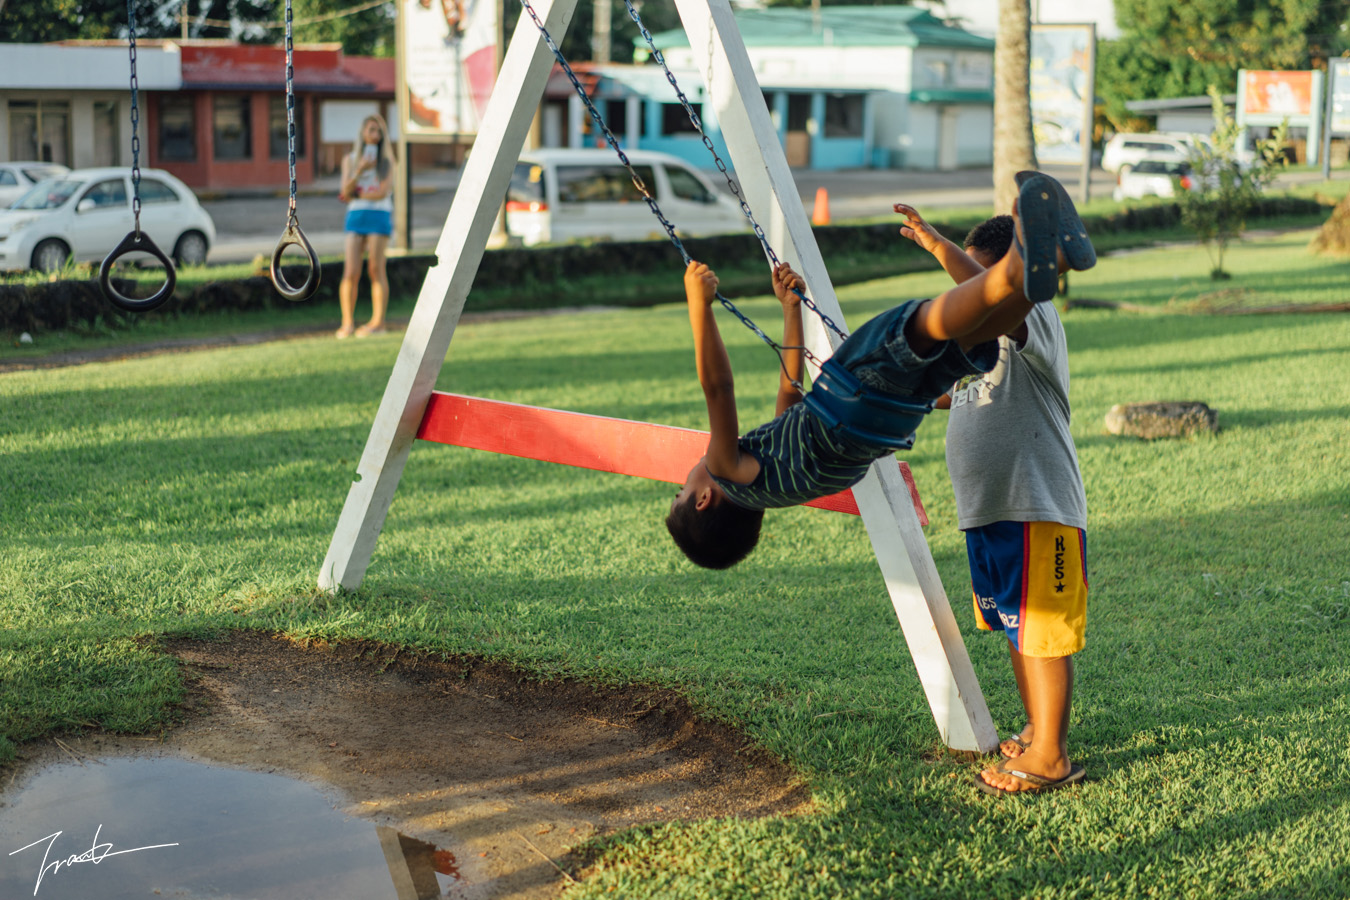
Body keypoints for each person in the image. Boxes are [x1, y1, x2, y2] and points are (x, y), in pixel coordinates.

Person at [666, 173, 1091, 572]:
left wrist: (791, 311)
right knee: (923, 323)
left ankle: (1052, 263)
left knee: (971, 338)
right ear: (704, 499)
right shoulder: (724, 469)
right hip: (848, 398)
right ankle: (1017, 267)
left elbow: (791, 394)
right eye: (680, 493)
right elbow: (718, 389)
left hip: (891, 423)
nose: (683, 483)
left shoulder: (776, 485)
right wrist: (699, 307)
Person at [895, 189, 1090, 796]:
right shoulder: (980, 345)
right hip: (989, 514)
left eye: (984, 281)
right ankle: (1038, 731)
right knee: (1015, 627)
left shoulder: (1037, 322)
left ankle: (1052, 757)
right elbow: (973, 389)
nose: (970, 299)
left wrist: (936, 245)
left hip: (1038, 507)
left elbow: (992, 291)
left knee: (1043, 632)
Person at [336, 115, 396, 339]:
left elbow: (382, 191)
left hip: (379, 215)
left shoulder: (387, 162)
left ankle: (378, 322)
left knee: (375, 269)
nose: (375, 135)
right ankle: (347, 322)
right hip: (355, 216)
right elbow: (345, 191)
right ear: (363, 133)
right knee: (351, 271)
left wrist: (358, 193)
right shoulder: (350, 160)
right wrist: (360, 170)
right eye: (371, 130)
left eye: (379, 131)